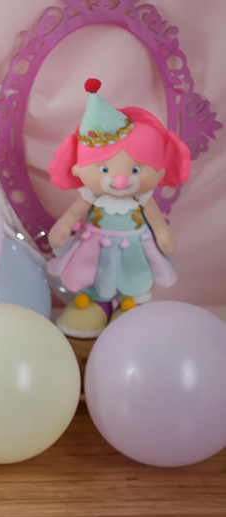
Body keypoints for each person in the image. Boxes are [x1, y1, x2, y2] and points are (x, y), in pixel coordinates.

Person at [46, 78, 191, 338]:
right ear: (80, 169)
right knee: (94, 273)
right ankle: (97, 303)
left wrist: (164, 238)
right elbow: (71, 217)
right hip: (96, 246)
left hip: (133, 248)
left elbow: (157, 224)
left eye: (136, 170)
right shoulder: (90, 195)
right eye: (104, 169)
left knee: (133, 277)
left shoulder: (142, 199)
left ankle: (129, 304)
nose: (121, 180)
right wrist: (62, 230)